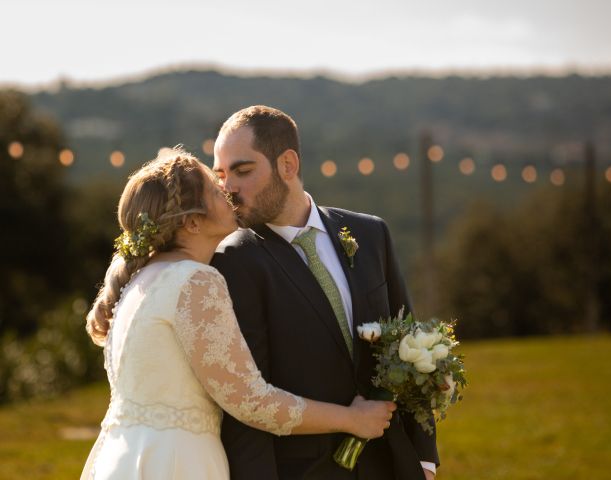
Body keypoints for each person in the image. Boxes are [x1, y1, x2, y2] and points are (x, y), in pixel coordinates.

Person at [80, 147, 396, 480]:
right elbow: (251, 401)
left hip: (125, 459)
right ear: (191, 221)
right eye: (216, 191)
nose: (229, 191)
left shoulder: (139, 279)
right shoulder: (195, 280)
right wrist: (352, 419)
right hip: (178, 463)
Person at [212, 106, 439, 480]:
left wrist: (425, 461)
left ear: (288, 164)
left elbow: (413, 351)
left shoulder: (371, 234)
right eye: (221, 175)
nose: (228, 188)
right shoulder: (235, 260)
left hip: (392, 466)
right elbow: (246, 404)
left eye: (242, 170)